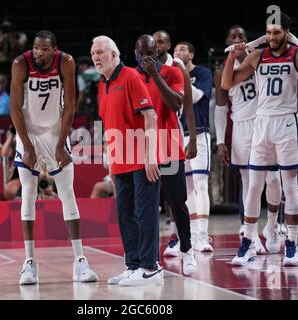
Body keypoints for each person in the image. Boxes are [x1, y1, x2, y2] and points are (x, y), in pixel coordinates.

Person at [222, 13, 298, 266]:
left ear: (286, 32)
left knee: (289, 184)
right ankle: (248, 242)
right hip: (261, 122)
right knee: (253, 186)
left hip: (287, 122)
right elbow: (228, 83)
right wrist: (230, 58)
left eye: (277, 32)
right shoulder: (257, 55)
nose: (272, 37)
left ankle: (291, 244)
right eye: (268, 32)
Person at [10, 30, 98, 285]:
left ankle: (80, 261)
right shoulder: (20, 63)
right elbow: (15, 107)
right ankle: (29, 263)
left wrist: (61, 143)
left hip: (55, 131)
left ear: (54, 49)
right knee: (28, 192)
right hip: (28, 132)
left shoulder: (66, 62)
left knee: (67, 193)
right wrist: (26, 145)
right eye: (36, 47)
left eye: (44, 49)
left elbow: (70, 104)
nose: (38, 52)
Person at [92, 35, 162, 286]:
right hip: (119, 160)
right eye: (93, 53)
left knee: (146, 214)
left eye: (100, 52)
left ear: (114, 54)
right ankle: (133, 265)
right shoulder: (103, 84)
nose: (96, 57)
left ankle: (150, 266)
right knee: (126, 215)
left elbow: (151, 116)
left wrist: (151, 155)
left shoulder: (131, 76)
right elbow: (107, 124)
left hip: (142, 159)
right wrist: (109, 159)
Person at [214, 25, 283, 254]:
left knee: (274, 180)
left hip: (265, 123)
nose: (237, 39)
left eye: (241, 36)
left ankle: (271, 227)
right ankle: (249, 231)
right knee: (250, 183)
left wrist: (252, 47)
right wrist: (220, 141)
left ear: (247, 40)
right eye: (232, 37)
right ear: (226, 41)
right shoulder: (222, 71)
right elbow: (221, 108)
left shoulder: (259, 60)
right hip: (241, 129)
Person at [135, 34, 197, 275]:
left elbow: (175, 104)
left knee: (177, 202)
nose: (145, 59)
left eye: (150, 54)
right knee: (145, 206)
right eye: (141, 55)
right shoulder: (132, 76)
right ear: (135, 54)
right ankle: (147, 260)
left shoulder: (171, 72)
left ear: (158, 53)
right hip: (143, 148)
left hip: (169, 146)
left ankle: (187, 251)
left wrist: (155, 75)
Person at [153, 30, 198, 257]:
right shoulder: (144, 69)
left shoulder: (176, 68)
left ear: (169, 45)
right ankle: (172, 237)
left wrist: (192, 138)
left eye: (161, 41)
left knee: (177, 196)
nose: (157, 44)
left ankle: (187, 244)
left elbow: (187, 106)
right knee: (156, 198)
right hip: (150, 141)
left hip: (173, 135)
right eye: (155, 41)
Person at [174, 41, 214, 252]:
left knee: (201, 184)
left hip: (199, 134)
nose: (178, 53)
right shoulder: (172, 74)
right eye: (176, 50)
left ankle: (203, 235)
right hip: (179, 135)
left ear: (191, 53)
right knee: (187, 187)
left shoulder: (203, 73)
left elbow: (198, 96)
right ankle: (190, 233)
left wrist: (181, 73)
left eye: (182, 50)